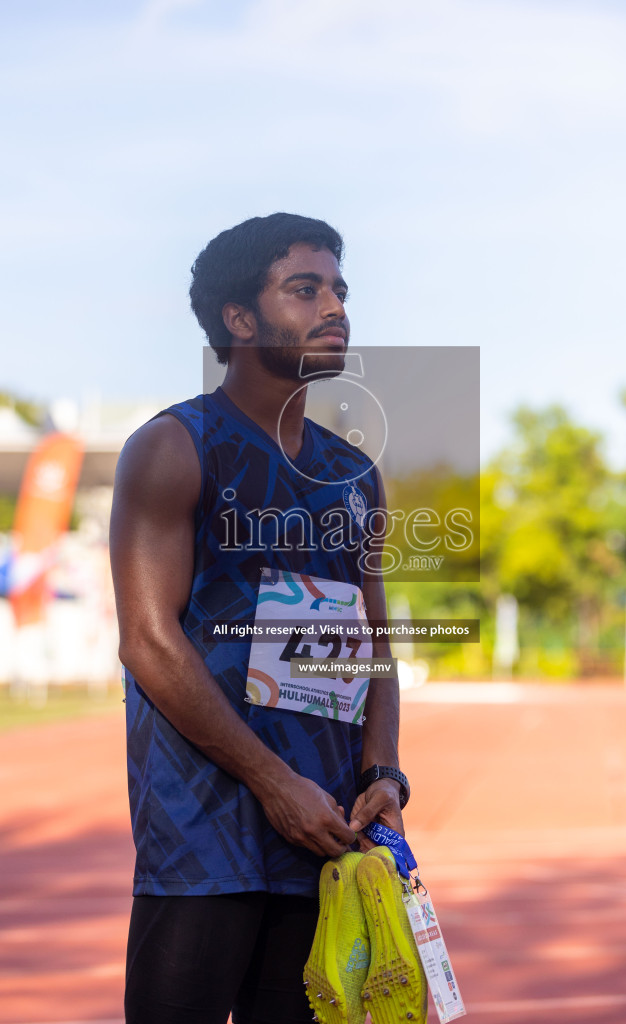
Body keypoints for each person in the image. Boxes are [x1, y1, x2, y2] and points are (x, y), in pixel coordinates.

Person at [110, 212, 411, 1024]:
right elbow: (146, 639)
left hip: (324, 837)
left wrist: (381, 771)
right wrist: (275, 785)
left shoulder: (352, 473)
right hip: (202, 839)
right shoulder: (176, 446)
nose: (335, 307)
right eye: (304, 289)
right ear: (240, 320)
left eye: (340, 289)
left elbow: (373, 640)